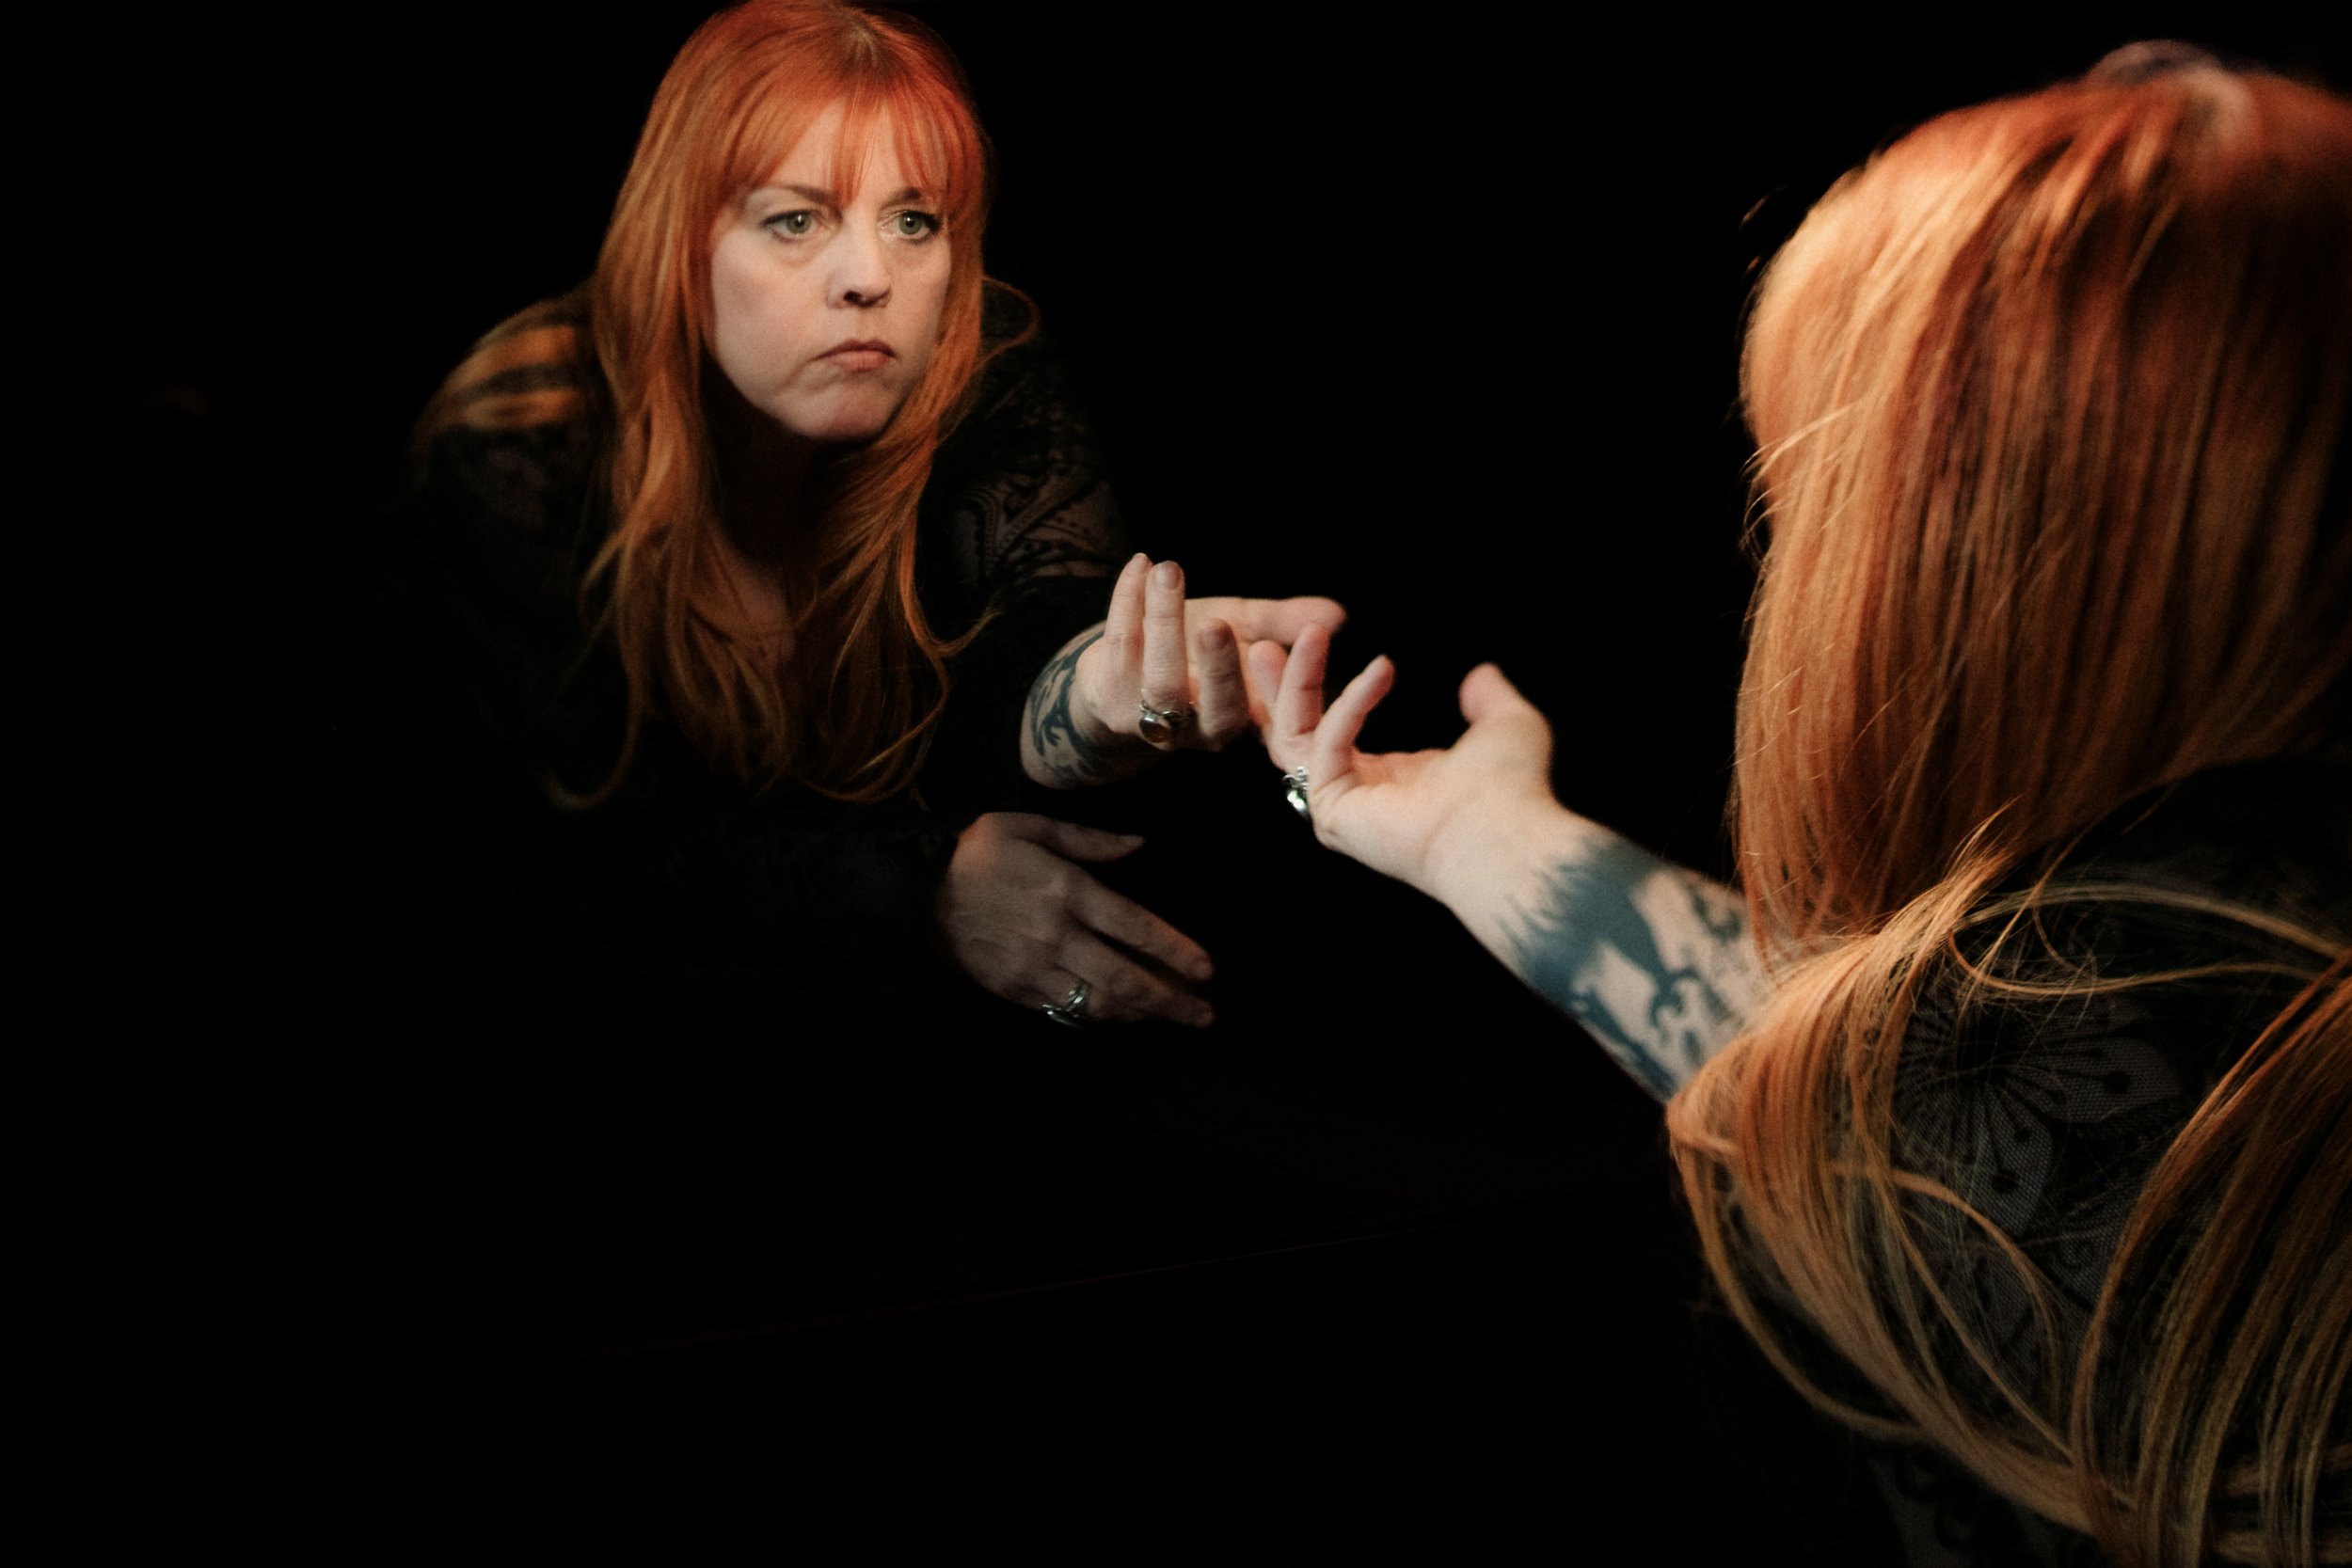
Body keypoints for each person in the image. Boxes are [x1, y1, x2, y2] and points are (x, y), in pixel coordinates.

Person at [1250, 45, 2349, 1568]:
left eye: (1813, 496)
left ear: (1967, 562)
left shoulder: (1981, 1096)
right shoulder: (2215, 984)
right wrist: (1473, 833)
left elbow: (1904, 1110)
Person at [413, 0, 1339, 1030]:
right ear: (680, 240)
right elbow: (568, 855)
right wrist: (922, 886)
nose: (870, 280)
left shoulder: (976, 358)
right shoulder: (528, 439)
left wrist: (1102, 692)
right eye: (796, 220)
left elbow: (1044, 630)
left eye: (913, 221)